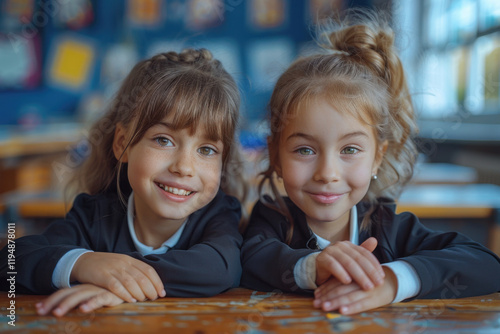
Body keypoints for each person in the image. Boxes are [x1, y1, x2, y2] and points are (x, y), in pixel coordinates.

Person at [240, 10, 500, 315]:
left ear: (377, 156)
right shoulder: (271, 218)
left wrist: (391, 281)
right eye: (305, 150)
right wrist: (313, 268)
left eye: (350, 149)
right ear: (275, 155)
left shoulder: (387, 226)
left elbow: (484, 264)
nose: (327, 174)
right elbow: (251, 261)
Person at [0, 48, 245, 316]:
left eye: (207, 149)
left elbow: (219, 268)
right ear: (122, 143)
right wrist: (85, 264)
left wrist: (119, 280)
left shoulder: (220, 214)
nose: (184, 167)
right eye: (163, 140)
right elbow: (10, 260)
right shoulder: (94, 215)